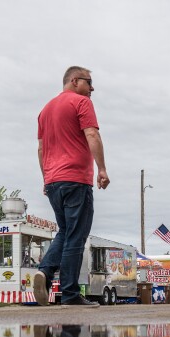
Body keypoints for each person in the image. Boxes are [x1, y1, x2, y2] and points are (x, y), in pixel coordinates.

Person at [33, 66, 110, 308]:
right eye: (89, 82)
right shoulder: (81, 102)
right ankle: (69, 294)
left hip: (54, 181)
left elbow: (40, 149)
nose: (92, 88)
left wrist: (46, 178)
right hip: (76, 178)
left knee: (65, 232)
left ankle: (44, 272)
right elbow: (92, 135)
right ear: (75, 81)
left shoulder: (45, 110)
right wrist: (102, 169)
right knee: (76, 235)